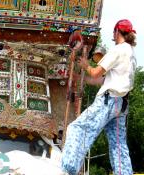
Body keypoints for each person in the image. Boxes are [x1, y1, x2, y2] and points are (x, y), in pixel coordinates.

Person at [60, 19, 137, 175]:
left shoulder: (118, 50)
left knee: (77, 129)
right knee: (118, 144)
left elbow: (96, 72)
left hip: (108, 102)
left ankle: (68, 169)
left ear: (117, 31)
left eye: (114, 32)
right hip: (121, 105)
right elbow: (101, 80)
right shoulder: (131, 54)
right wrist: (77, 76)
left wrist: (85, 65)